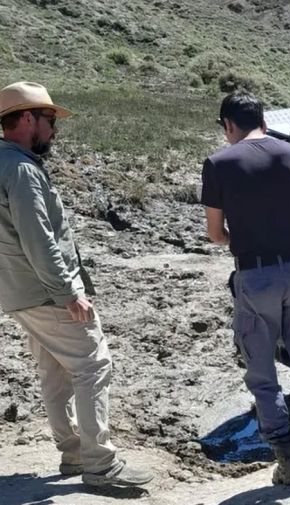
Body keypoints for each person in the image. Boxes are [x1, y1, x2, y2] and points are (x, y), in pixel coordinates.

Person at [0, 82, 153, 487]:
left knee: (55, 372)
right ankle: (100, 465)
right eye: (50, 119)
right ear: (28, 118)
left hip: (18, 292)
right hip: (46, 292)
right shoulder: (20, 170)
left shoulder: (4, 163)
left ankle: (72, 455)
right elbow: (39, 238)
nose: (54, 129)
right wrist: (69, 293)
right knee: (92, 365)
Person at [201, 91, 290, 485]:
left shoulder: (218, 164)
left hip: (255, 277)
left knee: (263, 372)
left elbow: (215, 234)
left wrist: (244, 235)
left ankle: (289, 462)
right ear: (263, 119)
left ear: (229, 124)